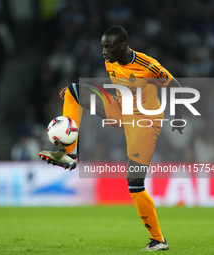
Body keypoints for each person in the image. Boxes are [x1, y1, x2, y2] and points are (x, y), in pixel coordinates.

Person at [39, 26, 185, 251]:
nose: (104, 52)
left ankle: (158, 240)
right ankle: (70, 155)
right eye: (102, 47)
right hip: (120, 110)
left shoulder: (148, 65)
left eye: (108, 47)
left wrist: (178, 117)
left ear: (123, 46)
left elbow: (174, 86)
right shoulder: (111, 61)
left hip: (144, 124)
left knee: (134, 183)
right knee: (73, 91)